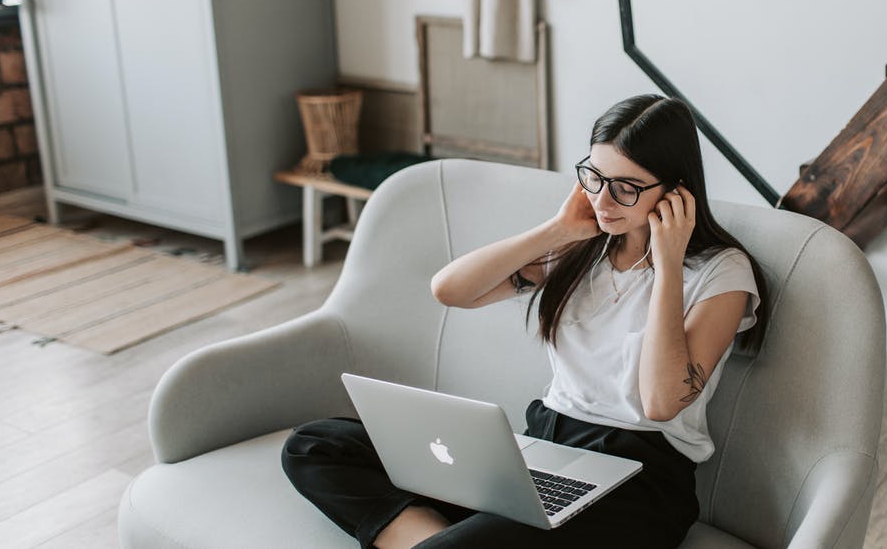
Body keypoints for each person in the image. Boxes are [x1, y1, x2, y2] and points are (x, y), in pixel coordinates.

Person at [281, 94, 768, 548]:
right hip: (543, 448)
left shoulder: (721, 271)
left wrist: (667, 263)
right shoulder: (582, 250)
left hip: (640, 479)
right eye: (593, 177)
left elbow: (661, 403)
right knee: (315, 445)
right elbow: (450, 289)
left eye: (625, 188)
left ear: (675, 192)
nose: (601, 201)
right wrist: (558, 229)